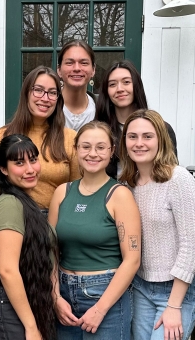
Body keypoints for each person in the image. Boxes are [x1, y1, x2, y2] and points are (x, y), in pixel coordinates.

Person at [48, 121, 141, 339]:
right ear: (76, 149)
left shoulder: (120, 196)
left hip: (105, 295)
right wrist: (55, 297)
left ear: (111, 151)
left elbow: (132, 260)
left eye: (101, 147)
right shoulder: (62, 193)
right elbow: (50, 250)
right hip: (64, 298)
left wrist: (100, 309)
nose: (93, 153)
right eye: (86, 146)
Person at [119, 109, 195, 340]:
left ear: (161, 140)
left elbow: (193, 247)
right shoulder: (127, 184)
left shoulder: (178, 179)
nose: (139, 143)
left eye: (148, 136)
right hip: (141, 287)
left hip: (178, 290)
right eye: (132, 136)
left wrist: (174, 306)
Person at [0, 66, 79, 253]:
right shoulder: (1, 137)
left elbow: (76, 194)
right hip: (13, 226)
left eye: (52, 93)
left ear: (58, 99)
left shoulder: (70, 139)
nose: (45, 98)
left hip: (56, 230)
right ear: (27, 93)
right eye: (38, 90)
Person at [0, 134, 57, 340]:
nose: (30, 169)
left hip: (19, 301)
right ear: (4, 169)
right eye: (19, 163)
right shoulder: (9, 205)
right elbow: (7, 270)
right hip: (6, 305)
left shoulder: (24, 202)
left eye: (33, 160)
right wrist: (31, 328)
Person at [95, 60, 178, 178]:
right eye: (112, 84)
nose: (119, 89)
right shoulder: (98, 131)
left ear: (136, 85)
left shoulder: (161, 128)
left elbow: (171, 171)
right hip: (111, 195)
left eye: (126, 82)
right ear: (106, 91)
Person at [58, 40, 97, 131]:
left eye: (84, 63)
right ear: (59, 70)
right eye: (69, 63)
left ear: (93, 70)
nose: (77, 68)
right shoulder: (47, 108)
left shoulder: (102, 111)